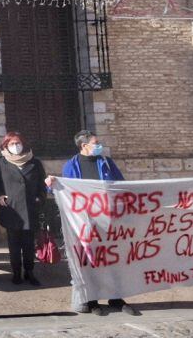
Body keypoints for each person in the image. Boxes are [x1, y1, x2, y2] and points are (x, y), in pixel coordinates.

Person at [50, 130, 136, 316]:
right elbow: (65, 191)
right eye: (96, 143)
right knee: (91, 260)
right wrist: (51, 184)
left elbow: (120, 185)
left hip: (108, 219)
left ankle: (116, 298)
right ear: (84, 146)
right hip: (86, 221)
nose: (100, 146)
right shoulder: (71, 166)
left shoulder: (105, 162)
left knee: (113, 259)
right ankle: (92, 300)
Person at [0, 131, 47, 286]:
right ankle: (16, 272)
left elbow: (42, 183)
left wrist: (40, 197)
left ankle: (29, 271)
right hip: (11, 209)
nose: (15, 146)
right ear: (6, 146)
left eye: (18, 143)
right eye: (12, 144)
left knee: (28, 243)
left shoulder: (35, 162)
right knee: (14, 244)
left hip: (30, 208)